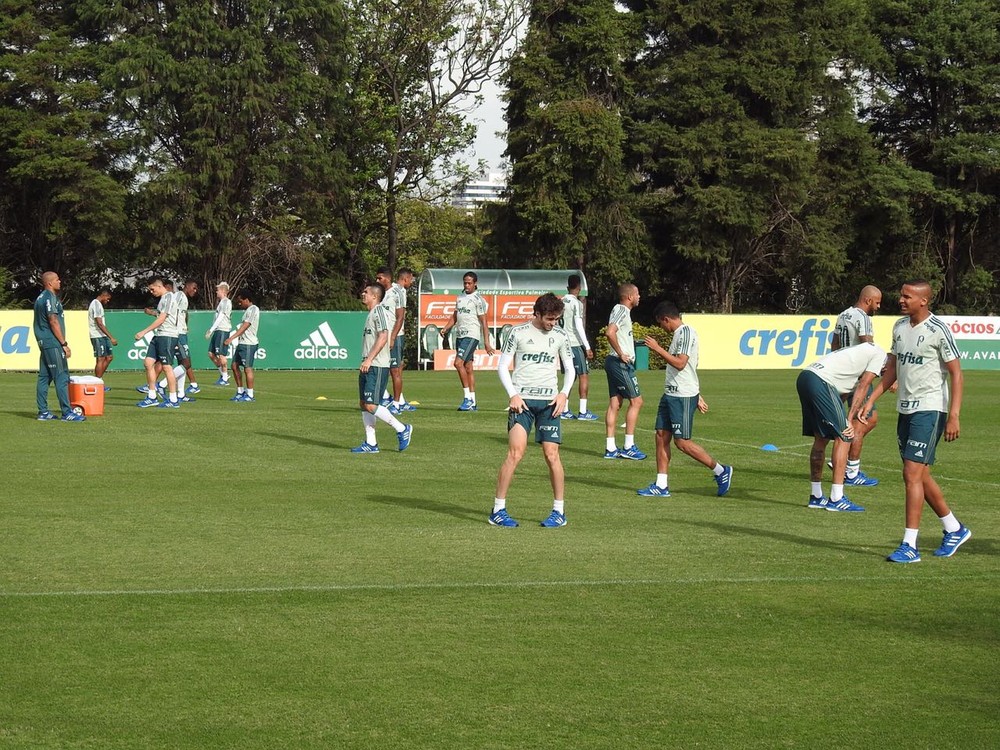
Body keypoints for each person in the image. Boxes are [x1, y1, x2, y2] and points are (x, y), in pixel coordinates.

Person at [860, 280, 970, 563]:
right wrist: (871, 400)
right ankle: (954, 528)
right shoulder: (898, 327)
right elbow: (892, 369)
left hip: (931, 408)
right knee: (919, 475)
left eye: (907, 296)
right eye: (901, 295)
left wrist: (954, 414)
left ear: (924, 301)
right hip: (905, 409)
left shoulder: (938, 331)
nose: (901, 299)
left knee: (911, 473)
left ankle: (910, 544)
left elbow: (956, 373)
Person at [490, 293, 575, 528]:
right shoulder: (517, 333)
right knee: (515, 453)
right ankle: (498, 510)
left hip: (550, 404)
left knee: (552, 455)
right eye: (549, 318)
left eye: (556, 319)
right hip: (523, 403)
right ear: (536, 314)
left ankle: (559, 512)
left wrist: (564, 393)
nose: (553, 323)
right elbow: (502, 366)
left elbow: (570, 369)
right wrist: (513, 394)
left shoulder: (560, 336)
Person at [636, 302, 733, 497]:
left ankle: (721, 471)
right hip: (671, 393)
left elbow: (681, 363)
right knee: (661, 435)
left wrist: (656, 348)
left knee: (682, 443)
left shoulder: (686, 332)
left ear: (666, 319)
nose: (661, 328)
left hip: (682, 395)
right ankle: (661, 485)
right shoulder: (678, 335)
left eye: (661, 324)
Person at [796, 341, 887, 512]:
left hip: (805, 377)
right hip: (821, 382)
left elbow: (842, 395)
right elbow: (863, 385)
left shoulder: (861, 354)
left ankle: (816, 496)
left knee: (821, 439)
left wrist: (839, 417)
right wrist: (848, 419)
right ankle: (836, 499)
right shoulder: (880, 355)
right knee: (845, 436)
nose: (880, 376)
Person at [829, 285, 883, 486]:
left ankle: (842, 461)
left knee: (866, 419)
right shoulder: (863, 318)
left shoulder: (844, 315)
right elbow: (867, 345)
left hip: (843, 373)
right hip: (858, 376)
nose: (878, 307)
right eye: (877, 302)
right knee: (863, 421)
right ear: (868, 300)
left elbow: (834, 343)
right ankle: (850, 471)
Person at [351, 284, 413, 453]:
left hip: (377, 365)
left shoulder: (378, 311)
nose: (363, 293)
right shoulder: (370, 314)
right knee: (364, 403)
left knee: (371, 405)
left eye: (366, 292)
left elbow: (384, 336)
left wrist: (369, 359)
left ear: (375, 296)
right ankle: (371, 443)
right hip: (368, 364)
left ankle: (402, 429)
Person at [33, 271, 84, 421]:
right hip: (53, 343)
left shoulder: (40, 298)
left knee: (44, 377)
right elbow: (53, 320)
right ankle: (67, 413)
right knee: (61, 376)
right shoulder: (49, 297)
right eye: (57, 279)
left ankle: (43, 411)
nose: (59, 281)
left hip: (44, 342)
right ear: (49, 283)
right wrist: (64, 343)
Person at [441, 271, 494, 411]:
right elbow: (455, 316)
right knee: (468, 368)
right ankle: (474, 402)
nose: (467, 285)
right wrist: (446, 328)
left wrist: (487, 343)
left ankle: (467, 399)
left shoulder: (478, 299)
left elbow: (484, 322)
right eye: (465, 282)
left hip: (472, 335)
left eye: (469, 283)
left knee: (458, 363)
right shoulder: (460, 297)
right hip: (460, 335)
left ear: (475, 283)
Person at [604, 283, 645, 459]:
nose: (639, 297)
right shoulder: (621, 310)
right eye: (637, 294)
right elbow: (610, 332)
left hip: (613, 361)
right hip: (619, 363)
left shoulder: (620, 311)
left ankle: (611, 448)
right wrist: (621, 353)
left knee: (615, 404)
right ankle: (628, 447)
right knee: (637, 402)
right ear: (629, 297)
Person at [375, 266, 416, 413]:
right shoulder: (378, 293)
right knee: (381, 367)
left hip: (395, 337)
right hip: (382, 336)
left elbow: (400, 318)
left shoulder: (397, 292)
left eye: (380, 278)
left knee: (395, 370)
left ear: (387, 278)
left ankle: (397, 404)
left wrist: (392, 337)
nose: (377, 280)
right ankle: (392, 398)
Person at [135, 277, 181, 408]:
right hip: (160, 334)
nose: (151, 291)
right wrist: (151, 313)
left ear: (160, 286)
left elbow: (162, 318)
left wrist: (144, 332)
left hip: (167, 335)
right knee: (148, 362)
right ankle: (152, 396)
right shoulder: (163, 299)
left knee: (167, 367)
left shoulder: (168, 297)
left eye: (152, 289)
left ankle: (173, 399)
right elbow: (161, 315)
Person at [559, 274, 598, 420]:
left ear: (567, 287)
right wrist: (587, 346)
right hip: (574, 343)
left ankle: (564, 409)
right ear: (579, 288)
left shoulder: (561, 301)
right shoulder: (576, 303)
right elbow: (578, 326)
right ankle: (582, 411)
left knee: (570, 375)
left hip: (563, 343)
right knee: (583, 375)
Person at [157, 278, 199, 400]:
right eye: (194, 287)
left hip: (182, 332)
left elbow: (183, 314)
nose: (195, 291)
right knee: (187, 363)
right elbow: (170, 311)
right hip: (178, 333)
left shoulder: (184, 298)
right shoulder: (180, 295)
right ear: (187, 286)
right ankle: (161, 384)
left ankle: (180, 393)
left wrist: (186, 326)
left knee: (182, 363)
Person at [224, 289, 260, 402]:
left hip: (249, 344)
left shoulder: (253, 309)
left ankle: (250, 394)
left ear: (247, 299)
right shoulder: (247, 310)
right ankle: (240, 391)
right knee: (234, 366)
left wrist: (231, 338)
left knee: (247, 369)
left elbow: (245, 326)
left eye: (241, 301)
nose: (239, 304)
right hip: (242, 343)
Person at [88, 287, 118, 386]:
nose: (108, 300)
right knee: (100, 358)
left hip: (102, 335)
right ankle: (98, 383)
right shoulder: (96, 304)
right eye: (108, 298)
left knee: (109, 357)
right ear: (104, 295)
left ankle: (98, 380)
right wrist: (111, 337)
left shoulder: (99, 305)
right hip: (97, 335)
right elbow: (99, 323)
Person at [206, 281, 232, 385]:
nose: (216, 292)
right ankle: (223, 374)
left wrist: (211, 329)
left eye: (218, 290)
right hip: (218, 330)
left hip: (222, 330)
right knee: (211, 353)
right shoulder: (221, 302)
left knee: (221, 355)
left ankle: (225, 378)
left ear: (222, 291)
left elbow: (221, 316)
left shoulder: (226, 302)